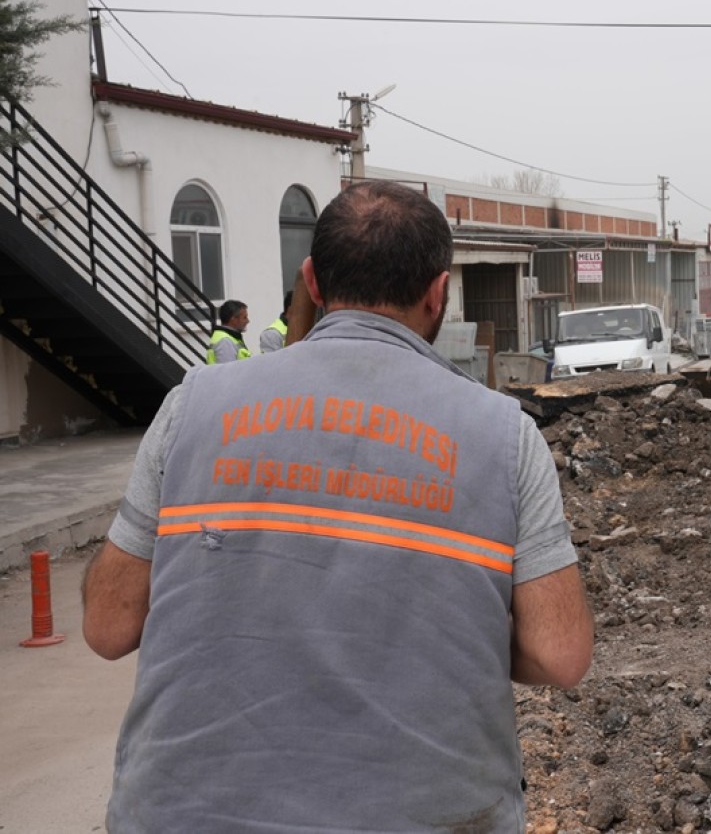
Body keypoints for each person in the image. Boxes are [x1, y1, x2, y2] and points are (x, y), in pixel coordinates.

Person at [82, 180, 594, 833]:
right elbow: (560, 654)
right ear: (438, 292)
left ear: (312, 282)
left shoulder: (193, 404)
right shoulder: (502, 434)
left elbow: (107, 626)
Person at [206, 299, 251, 363]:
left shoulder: (229, 338)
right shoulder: (225, 341)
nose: (247, 321)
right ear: (233, 319)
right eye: (244, 317)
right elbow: (228, 371)